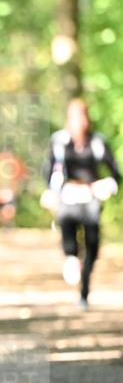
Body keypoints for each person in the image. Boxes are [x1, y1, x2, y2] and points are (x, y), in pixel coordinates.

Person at [43, 99, 119, 309]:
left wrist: (105, 187)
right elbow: (49, 171)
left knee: (93, 245)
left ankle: (84, 292)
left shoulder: (98, 142)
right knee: (68, 232)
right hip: (68, 197)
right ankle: (70, 257)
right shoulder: (59, 142)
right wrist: (53, 190)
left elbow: (114, 173)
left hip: (90, 198)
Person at [0, 149, 27, 228]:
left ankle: (6, 225)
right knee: (4, 209)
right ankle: (5, 224)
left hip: (7, 189)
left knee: (8, 208)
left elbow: (20, 174)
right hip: (0, 190)